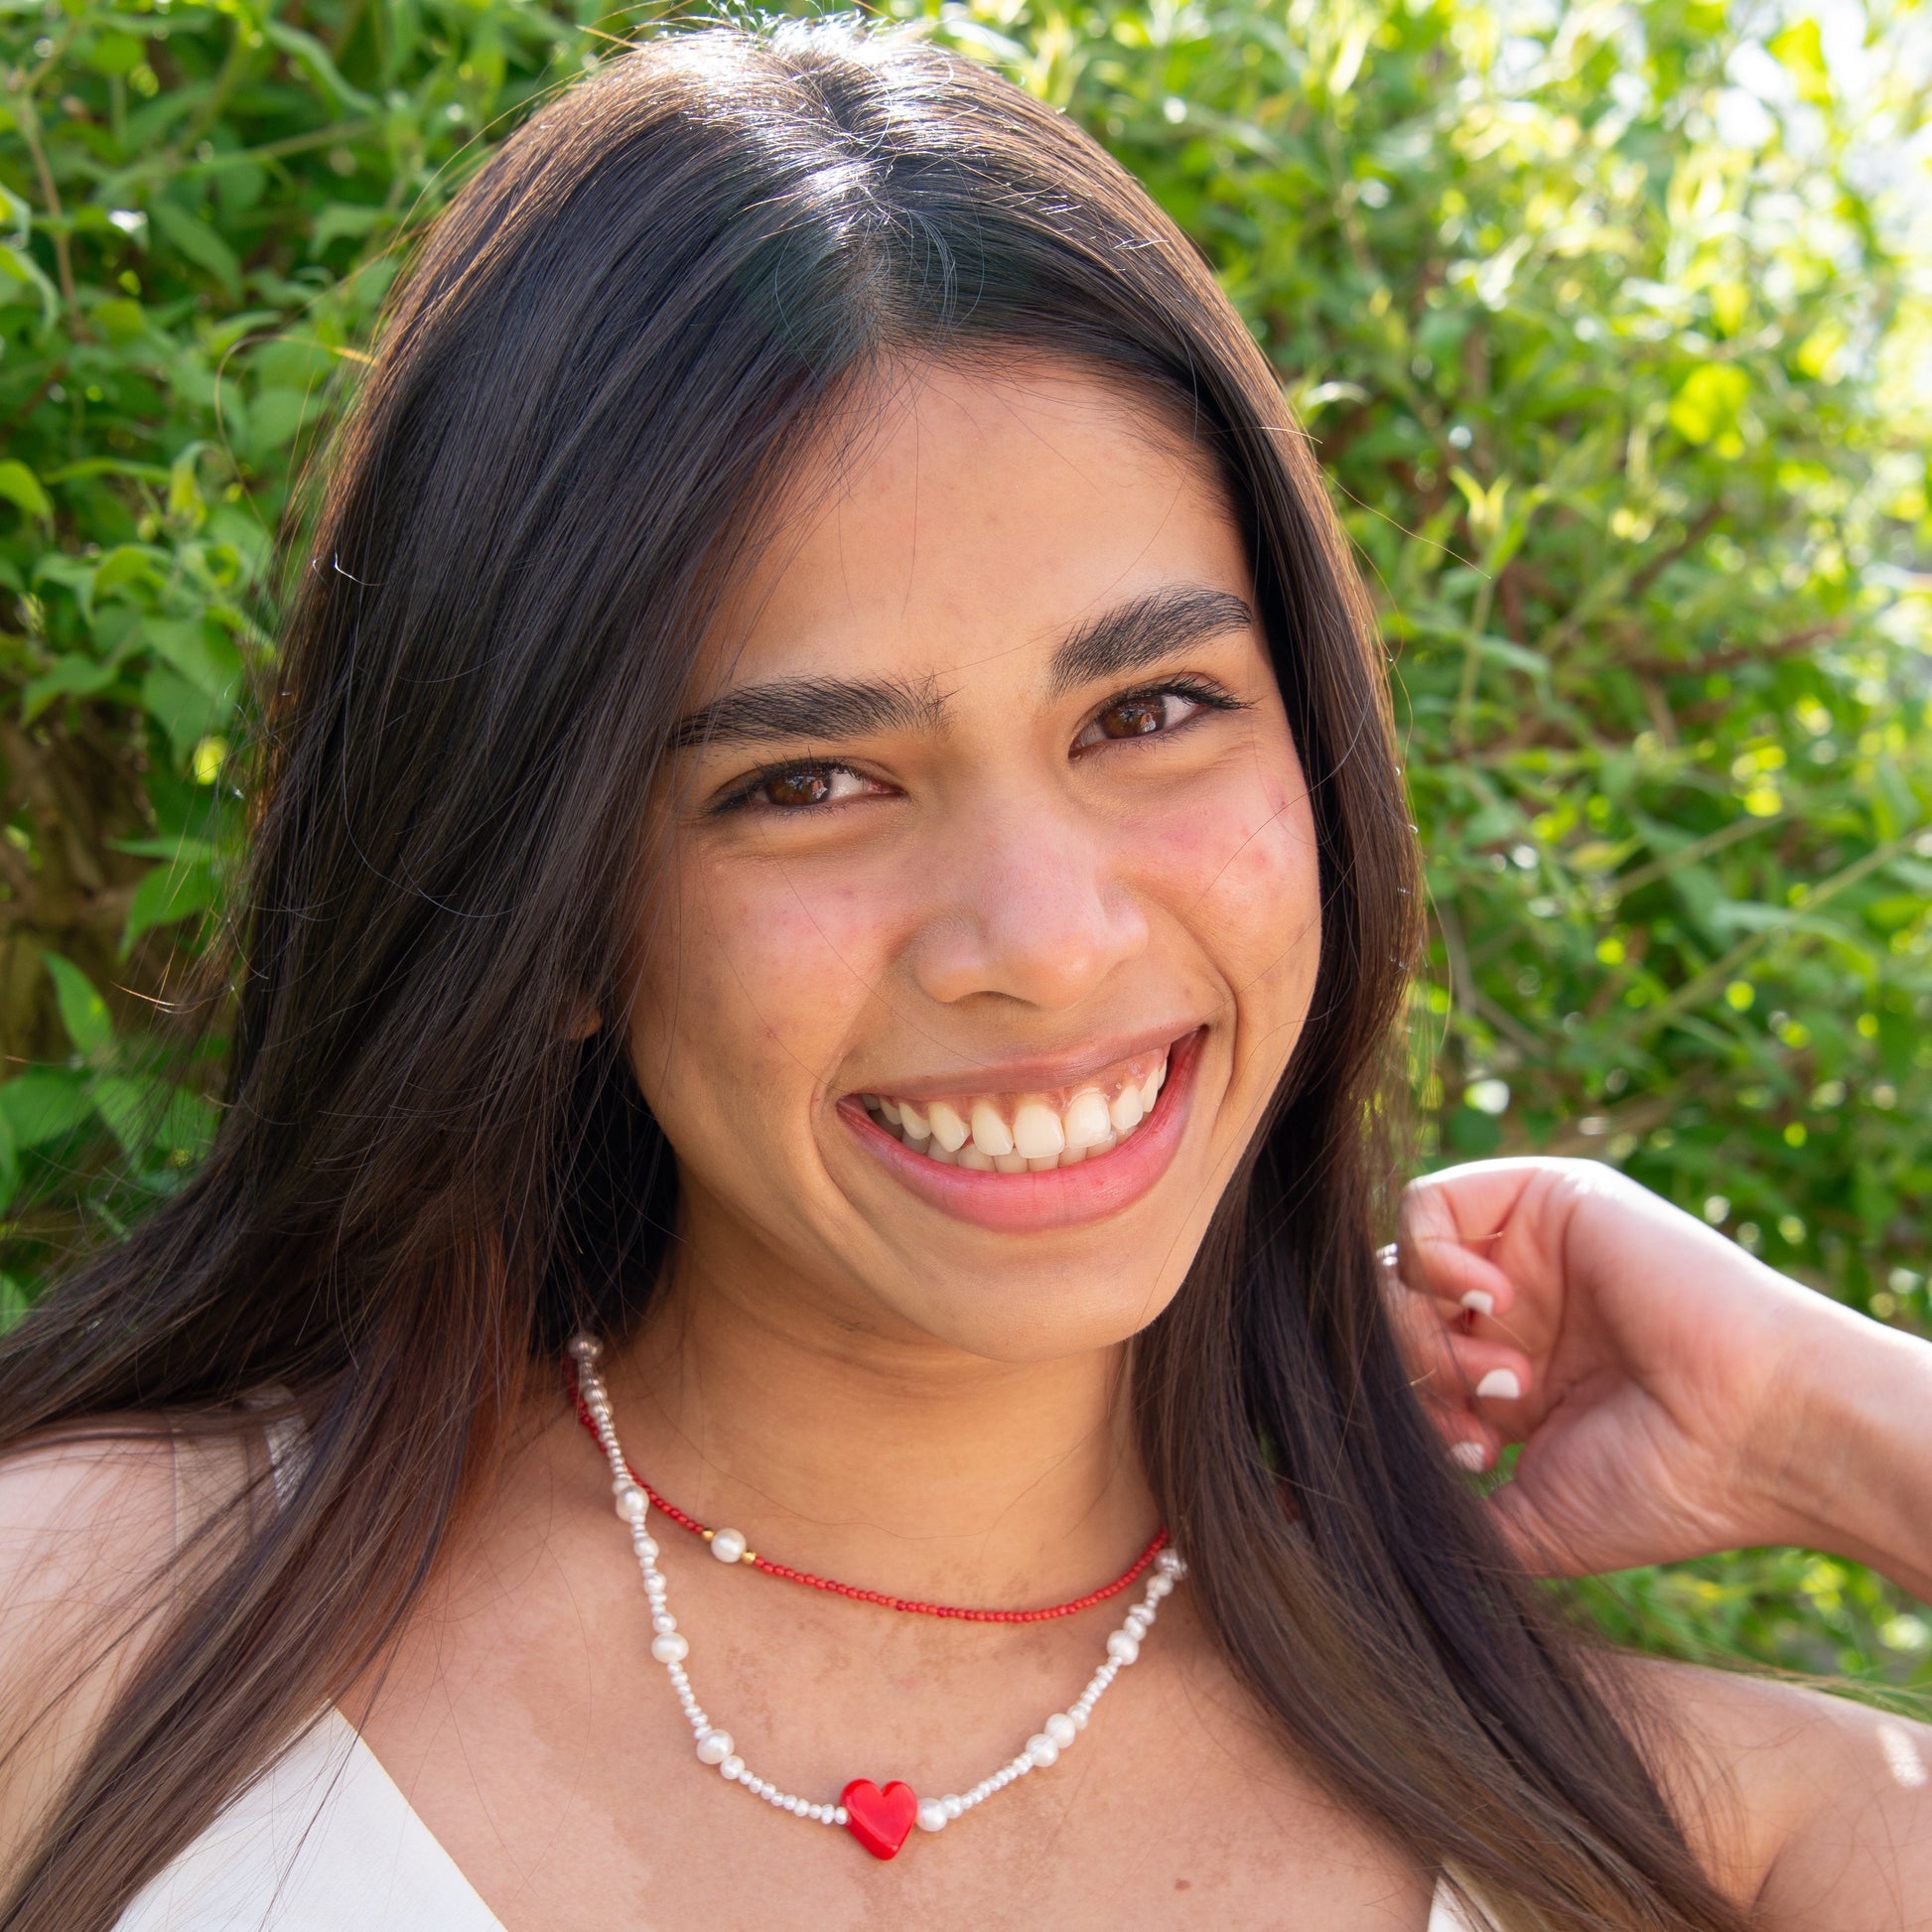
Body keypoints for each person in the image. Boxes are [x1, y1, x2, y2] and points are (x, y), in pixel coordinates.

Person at [0, 20, 1926, 1930]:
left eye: (1152, 707)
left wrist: (1838, 1429)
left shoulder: (1708, 1846)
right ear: (551, 894)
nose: (1046, 935)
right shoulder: (90, 1640)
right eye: (808, 780)